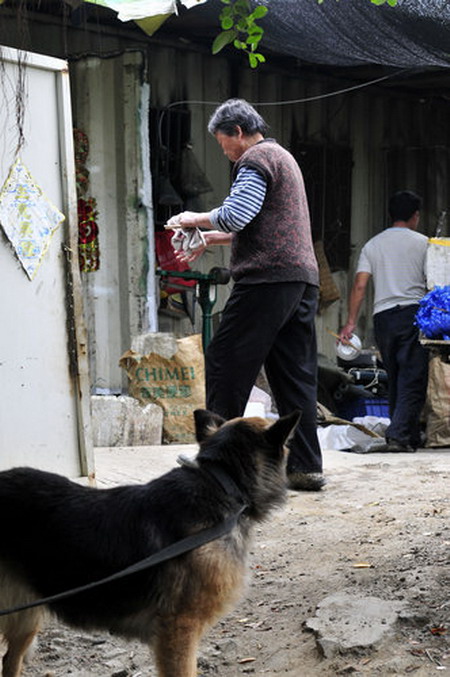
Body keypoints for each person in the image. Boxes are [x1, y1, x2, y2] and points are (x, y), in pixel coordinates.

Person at [167, 98, 324, 491]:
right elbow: (253, 225)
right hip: (300, 280)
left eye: (223, 143)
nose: (225, 152)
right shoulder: (283, 158)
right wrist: (209, 238)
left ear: (238, 132)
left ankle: (217, 461)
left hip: (267, 280)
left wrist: (193, 218)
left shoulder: (255, 160)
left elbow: (238, 214)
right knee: (293, 375)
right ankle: (305, 467)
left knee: (224, 359)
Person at [339, 190, 429, 452]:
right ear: (415, 216)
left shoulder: (372, 245)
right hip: (413, 314)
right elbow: (434, 283)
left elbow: (359, 286)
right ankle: (399, 435)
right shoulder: (424, 243)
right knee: (413, 378)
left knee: (396, 377)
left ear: (390, 215)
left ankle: (409, 435)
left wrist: (351, 323)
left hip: (383, 318)